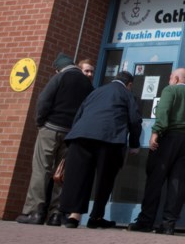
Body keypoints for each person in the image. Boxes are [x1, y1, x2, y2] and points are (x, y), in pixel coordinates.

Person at [16, 53, 94, 226]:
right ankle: (56, 214)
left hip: (50, 128)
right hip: (71, 132)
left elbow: (44, 100)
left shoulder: (60, 77)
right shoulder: (87, 84)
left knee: (41, 170)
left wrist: (40, 123)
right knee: (61, 173)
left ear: (59, 68)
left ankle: (34, 212)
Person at [58, 70, 141, 229]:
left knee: (79, 177)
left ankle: (73, 217)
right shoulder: (126, 93)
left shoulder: (96, 91)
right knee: (105, 179)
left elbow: (80, 114)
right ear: (129, 84)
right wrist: (135, 144)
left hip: (81, 136)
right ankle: (95, 217)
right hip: (109, 138)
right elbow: (134, 120)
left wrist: (75, 133)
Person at [129, 67, 185, 235]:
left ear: (175, 79)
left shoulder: (170, 90)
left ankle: (145, 221)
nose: (169, 80)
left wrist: (156, 132)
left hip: (169, 137)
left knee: (155, 178)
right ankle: (168, 224)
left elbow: (163, 111)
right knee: (178, 182)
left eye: (170, 78)